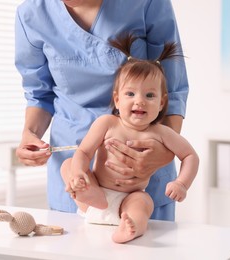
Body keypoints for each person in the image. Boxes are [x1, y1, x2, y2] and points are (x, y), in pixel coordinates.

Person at [14, 0, 189, 221]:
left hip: (141, 170)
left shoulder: (147, 3)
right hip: (75, 174)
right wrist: (30, 134)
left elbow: (172, 90)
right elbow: (39, 94)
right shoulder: (31, 14)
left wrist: (162, 153)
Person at [61, 34, 199, 243]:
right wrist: (79, 174)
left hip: (127, 198)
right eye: (131, 94)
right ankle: (89, 195)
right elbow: (84, 152)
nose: (140, 101)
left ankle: (130, 228)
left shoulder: (161, 133)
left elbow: (190, 156)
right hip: (96, 191)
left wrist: (182, 183)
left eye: (150, 95)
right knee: (68, 164)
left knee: (143, 202)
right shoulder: (107, 123)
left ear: (162, 103)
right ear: (117, 99)